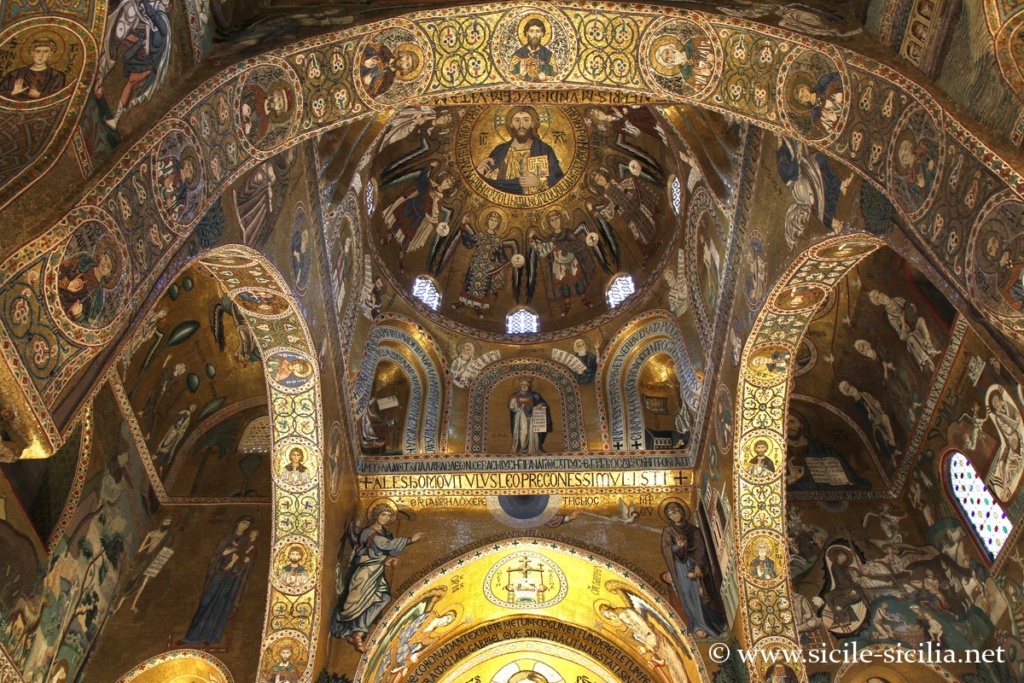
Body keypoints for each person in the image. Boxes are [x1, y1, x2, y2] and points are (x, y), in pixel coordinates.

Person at [331, 500, 426, 652]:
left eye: (388, 516)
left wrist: (387, 561)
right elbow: (384, 546)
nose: (385, 518)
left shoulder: (387, 533)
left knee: (384, 598)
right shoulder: (367, 532)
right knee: (354, 605)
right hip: (365, 571)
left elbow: (381, 552)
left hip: (377, 571)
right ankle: (351, 627)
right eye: (383, 515)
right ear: (376, 515)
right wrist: (410, 540)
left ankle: (359, 632)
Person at [182, 516, 258, 644]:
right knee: (206, 601)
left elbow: (248, 556)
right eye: (243, 523)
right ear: (237, 523)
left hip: (232, 576)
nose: (244, 526)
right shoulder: (226, 539)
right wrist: (223, 555)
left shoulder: (246, 541)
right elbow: (216, 556)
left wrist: (244, 560)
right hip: (218, 574)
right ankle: (190, 636)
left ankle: (211, 637)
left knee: (222, 604)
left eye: (247, 525)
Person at [660, 500, 724, 637]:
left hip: (694, 566)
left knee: (699, 594)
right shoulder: (668, 531)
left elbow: (700, 550)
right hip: (680, 567)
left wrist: (697, 566)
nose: (673, 516)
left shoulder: (694, 531)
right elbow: (666, 549)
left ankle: (707, 624)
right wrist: (679, 546)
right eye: (670, 514)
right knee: (686, 593)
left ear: (681, 512)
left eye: (675, 512)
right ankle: (696, 624)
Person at [382, 163, 455, 273]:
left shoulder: (439, 199)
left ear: (449, 188)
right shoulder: (430, 184)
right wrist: (430, 166)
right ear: (442, 178)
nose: (446, 184)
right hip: (411, 205)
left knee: (409, 236)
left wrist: (434, 202)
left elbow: (434, 214)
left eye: (449, 184)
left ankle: (401, 257)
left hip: (419, 215)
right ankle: (387, 238)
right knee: (398, 222)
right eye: (447, 180)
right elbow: (423, 177)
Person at [475, 106, 563, 194]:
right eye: (517, 120)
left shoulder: (544, 150)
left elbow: (559, 180)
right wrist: (479, 174)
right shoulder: (500, 150)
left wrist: (539, 182)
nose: (521, 125)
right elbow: (488, 183)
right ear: (511, 124)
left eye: (526, 120)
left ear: (533, 123)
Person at [449, 212, 519, 316]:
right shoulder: (480, 235)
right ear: (487, 221)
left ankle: (477, 306)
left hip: (487, 269)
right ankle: (461, 302)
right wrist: (463, 225)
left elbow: (501, 257)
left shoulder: (497, 240)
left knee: (483, 287)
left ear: (498, 224)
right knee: (469, 283)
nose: (493, 223)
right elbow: (469, 242)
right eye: (491, 220)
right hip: (475, 265)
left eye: (495, 221)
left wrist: (512, 262)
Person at [530, 210, 596, 316]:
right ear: (549, 223)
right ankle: (567, 306)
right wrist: (532, 238)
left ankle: (584, 300)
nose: (555, 222)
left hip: (572, 261)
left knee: (579, 281)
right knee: (564, 285)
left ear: (560, 219)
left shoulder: (568, 233)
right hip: (559, 265)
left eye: (556, 219)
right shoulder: (549, 238)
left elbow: (578, 244)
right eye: (552, 220)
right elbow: (542, 250)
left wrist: (588, 243)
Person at [58, 245, 117, 325]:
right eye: (105, 259)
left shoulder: (98, 299)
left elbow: (87, 326)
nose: (104, 265)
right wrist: (66, 284)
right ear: (102, 256)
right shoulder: (83, 261)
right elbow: (56, 269)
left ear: (109, 274)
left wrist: (78, 315)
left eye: (108, 266)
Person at [0, 38, 66, 100]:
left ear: (50, 54)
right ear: (32, 53)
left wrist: (40, 95)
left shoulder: (57, 76)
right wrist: (13, 92)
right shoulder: (15, 74)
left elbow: (58, 98)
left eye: (46, 51)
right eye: (38, 51)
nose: (41, 55)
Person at [508, 377, 551, 453]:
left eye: (526, 385)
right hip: (521, 416)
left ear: (529, 386)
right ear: (520, 385)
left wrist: (540, 405)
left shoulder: (535, 395)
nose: (524, 386)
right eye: (522, 385)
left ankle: (534, 448)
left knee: (534, 432)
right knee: (523, 432)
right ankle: (522, 448)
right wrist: (518, 403)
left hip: (532, 416)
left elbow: (542, 403)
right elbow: (511, 406)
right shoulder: (515, 395)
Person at [511, 18, 556, 82]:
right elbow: (509, 78)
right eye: (531, 31)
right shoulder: (518, 55)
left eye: (538, 31)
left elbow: (557, 78)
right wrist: (521, 75)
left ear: (542, 34)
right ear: (526, 34)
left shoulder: (548, 55)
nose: (535, 35)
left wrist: (546, 78)